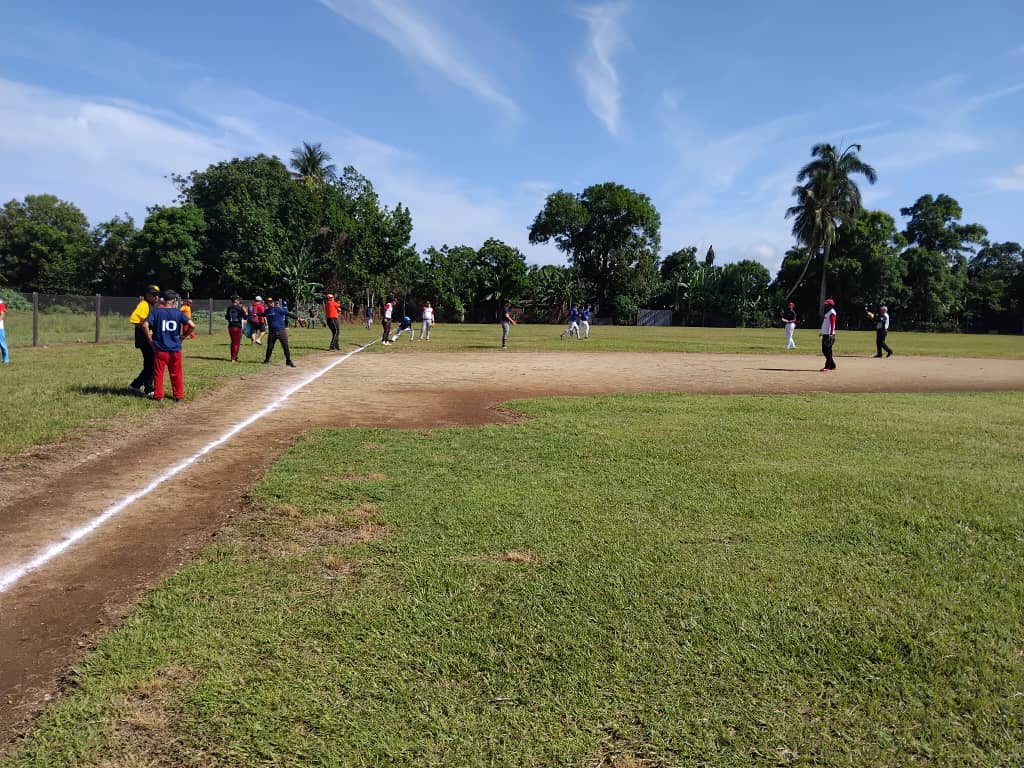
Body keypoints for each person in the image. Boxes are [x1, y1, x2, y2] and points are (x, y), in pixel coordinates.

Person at [144, 289, 193, 401]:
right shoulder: (178, 313)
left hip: (160, 349)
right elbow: (192, 325)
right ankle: (178, 396)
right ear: (174, 300)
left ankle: (158, 395)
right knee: (176, 373)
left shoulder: (156, 311)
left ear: (163, 300)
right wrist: (184, 336)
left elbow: (145, 325)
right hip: (175, 349)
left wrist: (150, 340)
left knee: (158, 374)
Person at [128, 284, 161, 395]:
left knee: (150, 364)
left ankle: (136, 385)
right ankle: (148, 388)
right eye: (154, 294)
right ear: (147, 294)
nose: (156, 297)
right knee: (151, 364)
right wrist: (147, 329)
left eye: (157, 295)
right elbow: (134, 319)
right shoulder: (144, 304)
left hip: (150, 339)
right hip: (145, 340)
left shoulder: (152, 305)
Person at [262, 298, 298, 367]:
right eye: (268, 302)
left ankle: (288, 361)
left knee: (285, 346)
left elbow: (288, 314)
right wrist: (255, 314)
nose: (270, 303)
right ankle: (267, 360)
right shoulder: (266, 312)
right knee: (270, 347)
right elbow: (262, 314)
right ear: (267, 304)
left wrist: (298, 318)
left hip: (281, 331)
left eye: (271, 302)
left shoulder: (278, 309)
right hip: (272, 332)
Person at [224, 295, 247, 362]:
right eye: (238, 299)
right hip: (237, 327)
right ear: (236, 300)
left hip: (230, 327)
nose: (239, 301)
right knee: (237, 343)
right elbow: (245, 317)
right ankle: (233, 358)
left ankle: (234, 356)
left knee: (233, 342)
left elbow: (227, 317)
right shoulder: (240, 308)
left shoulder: (229, 307)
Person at [820, 298, 837, 372]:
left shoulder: (832, 312)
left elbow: (832, 323)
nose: (825, 305)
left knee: (827, 350)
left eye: (826, 304)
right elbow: (825, 324)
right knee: (825, 350)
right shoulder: (828, 312)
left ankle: (828, 366)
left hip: (829, 334)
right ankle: (832, 365)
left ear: (830, 305)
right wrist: (822, 332)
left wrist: (831, 334)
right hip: (825, 333)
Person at [0, 297, 8, 364]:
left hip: (0, 327)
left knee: (2, 344)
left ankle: (6, 360)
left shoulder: (0, 302)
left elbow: (2, 314)